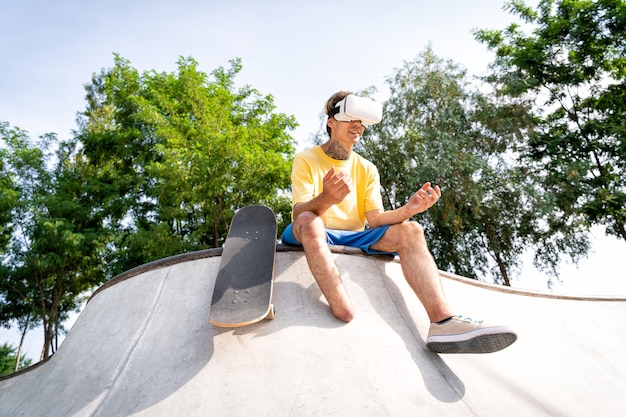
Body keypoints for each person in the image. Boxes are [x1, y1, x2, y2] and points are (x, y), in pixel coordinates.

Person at [281, 91, 517, 354]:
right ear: (331, 122)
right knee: (310, 221)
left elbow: (376, 220)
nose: (358, 126)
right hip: (315, 230)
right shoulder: (307, 158)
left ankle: (443, 321)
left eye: (362, 122)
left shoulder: (367, 169)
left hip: (356, 236)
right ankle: (341, 305)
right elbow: (300, 212)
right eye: (351, 119)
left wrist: (409, 209)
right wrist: (326, 198)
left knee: (412, 230)